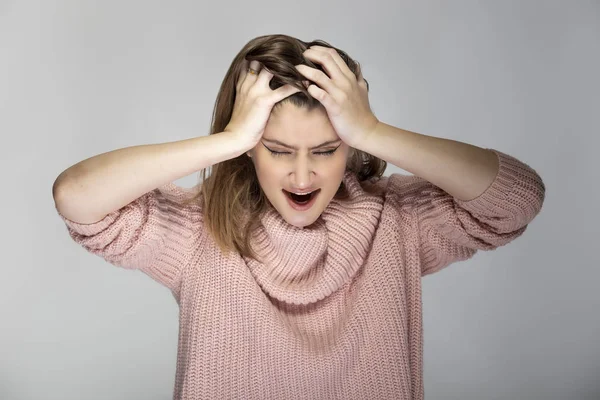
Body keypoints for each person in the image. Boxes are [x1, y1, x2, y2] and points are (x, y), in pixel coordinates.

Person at [52, 34, 546, 400]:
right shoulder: (198, 231)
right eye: (279, 150)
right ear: (251, 147)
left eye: (327, 150)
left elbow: (518, 199)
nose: (303, 176)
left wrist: (372, 130)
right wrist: (227, 142)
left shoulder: (397, 221)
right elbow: (76, 197)